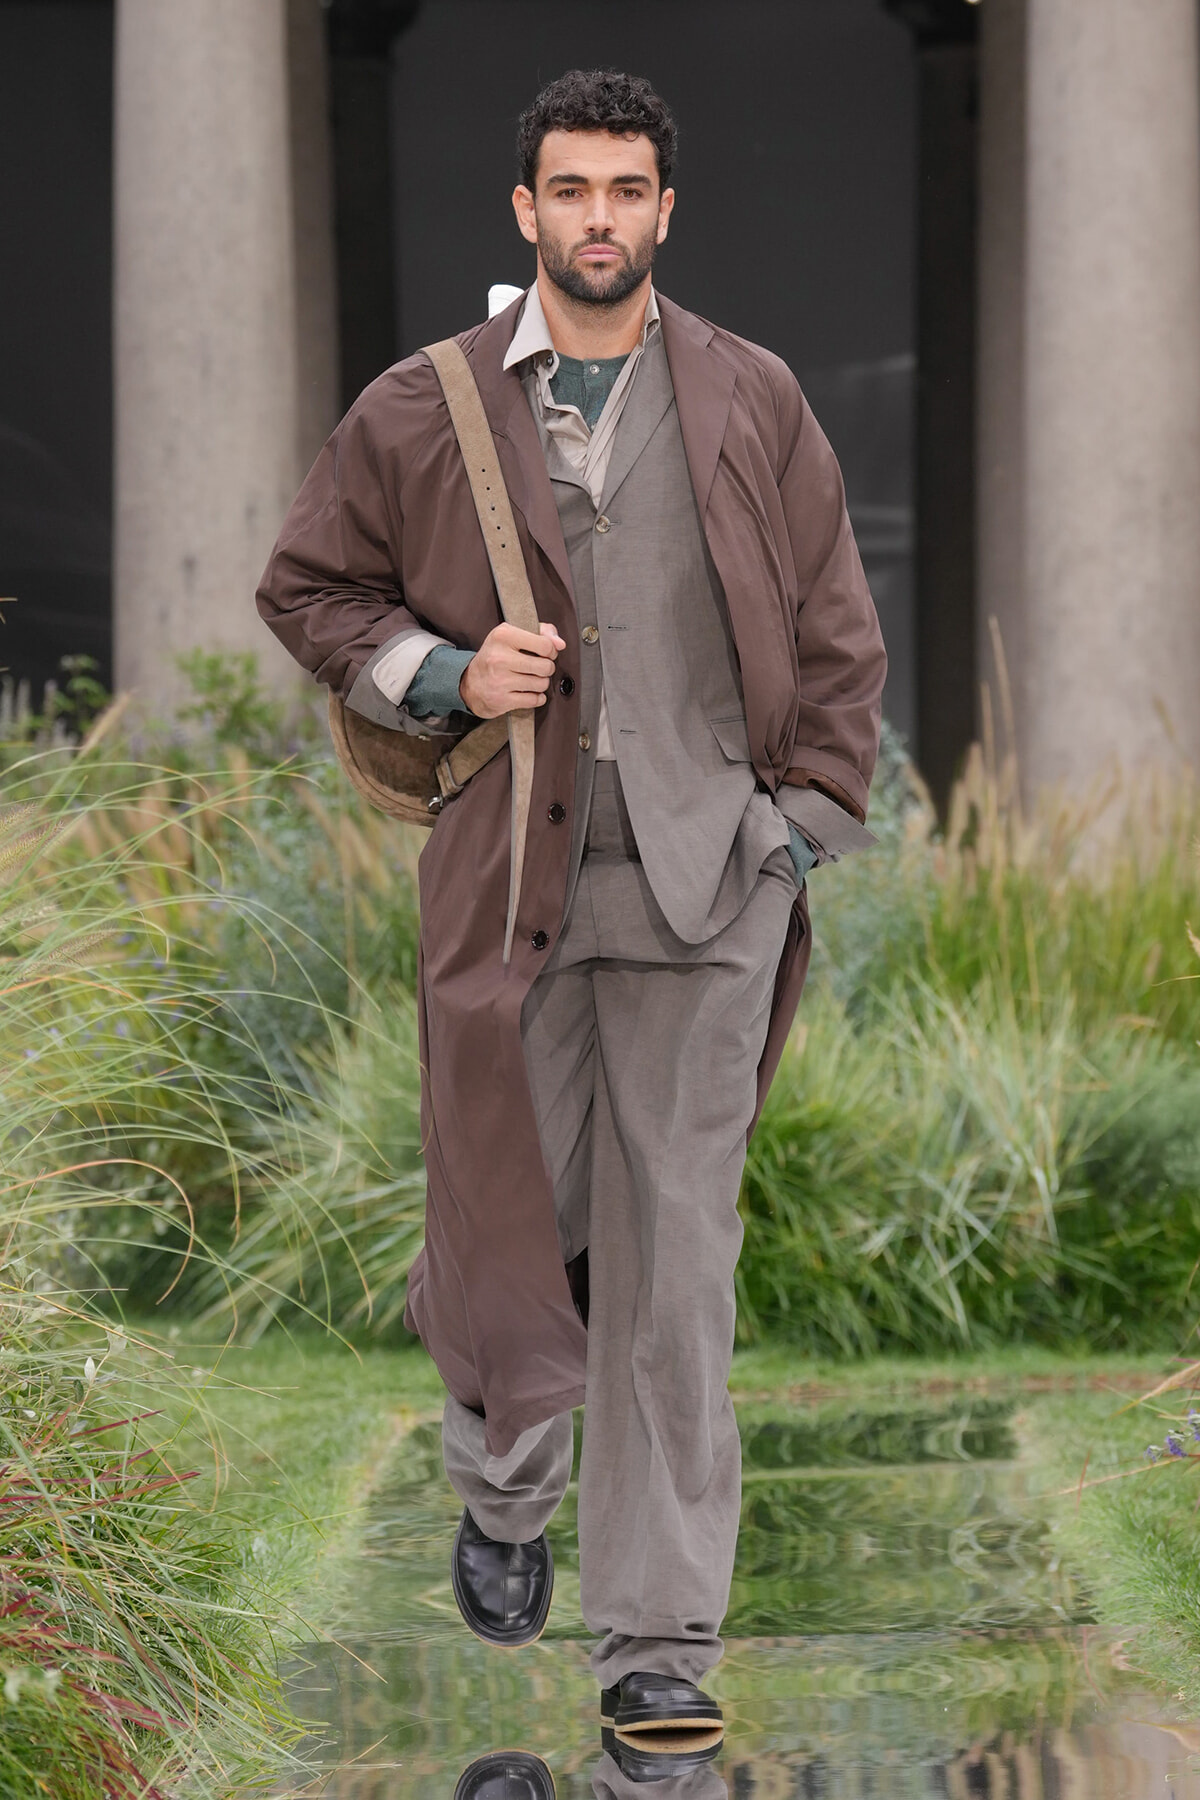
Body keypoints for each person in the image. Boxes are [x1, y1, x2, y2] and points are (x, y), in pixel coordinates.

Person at [258, 67, 886, 1772]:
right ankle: (507, 1492)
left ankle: (661, 1639)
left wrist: (799, 829)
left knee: (678, 1267)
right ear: (523, 212)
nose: (598, 216)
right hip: (507, 880)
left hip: (706, 891)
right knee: (504, 1218)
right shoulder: (422, 405)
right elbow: (308, 588)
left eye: (627, 190)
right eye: (569, 189)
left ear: (665, 213)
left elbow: (837, 628)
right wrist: (451, 672)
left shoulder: (752, 398)